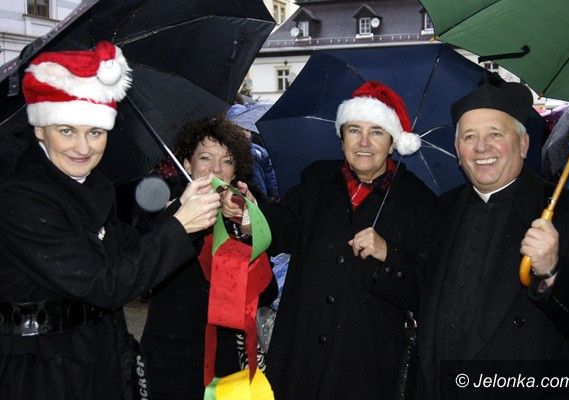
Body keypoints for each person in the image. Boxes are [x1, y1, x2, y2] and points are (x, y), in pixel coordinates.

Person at [0, 42, 221, 399]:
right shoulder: (21, 197)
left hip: (98, 356)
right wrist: (181, 224)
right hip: (42, 369)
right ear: (40, 129)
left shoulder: (92, 184)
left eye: (96, 132)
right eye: (67, 130)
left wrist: (182, 209)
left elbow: (128, 249)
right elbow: (106, 283)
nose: (83, 147)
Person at [222, 81, 438, 399]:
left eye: (377, 132)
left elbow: (426, 290)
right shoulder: (317, 180)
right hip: (300, 360)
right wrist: (250, 215)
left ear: (393, 143)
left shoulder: (419, 202)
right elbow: (282, 226)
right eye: (354, 130)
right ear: (342, 137)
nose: (364, 142)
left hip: (366, 372)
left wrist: (387, 254)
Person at [417, 76, 569, 399]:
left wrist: (554, 272)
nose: (481, 147)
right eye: (469, 137)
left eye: (495, 134)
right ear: (458, 151)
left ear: (524, 144)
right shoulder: (438, 210)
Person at [140, 116, 273, 399]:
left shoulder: (243, 215)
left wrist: (247, 229)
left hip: (225, 361)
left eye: (227, 161)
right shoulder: (167, 215)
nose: (216, 169)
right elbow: (144, 273)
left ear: (235, 170)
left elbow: (266, 291)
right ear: (187, 165)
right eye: (205, 158)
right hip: (172, 359)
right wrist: (179, 216)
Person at [226, 103, 281, 201]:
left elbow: (270, 178)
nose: (245, 133)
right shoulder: (224, 151)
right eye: (240, 128)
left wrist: (272, 196)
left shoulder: (258, 152)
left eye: (247, 129)